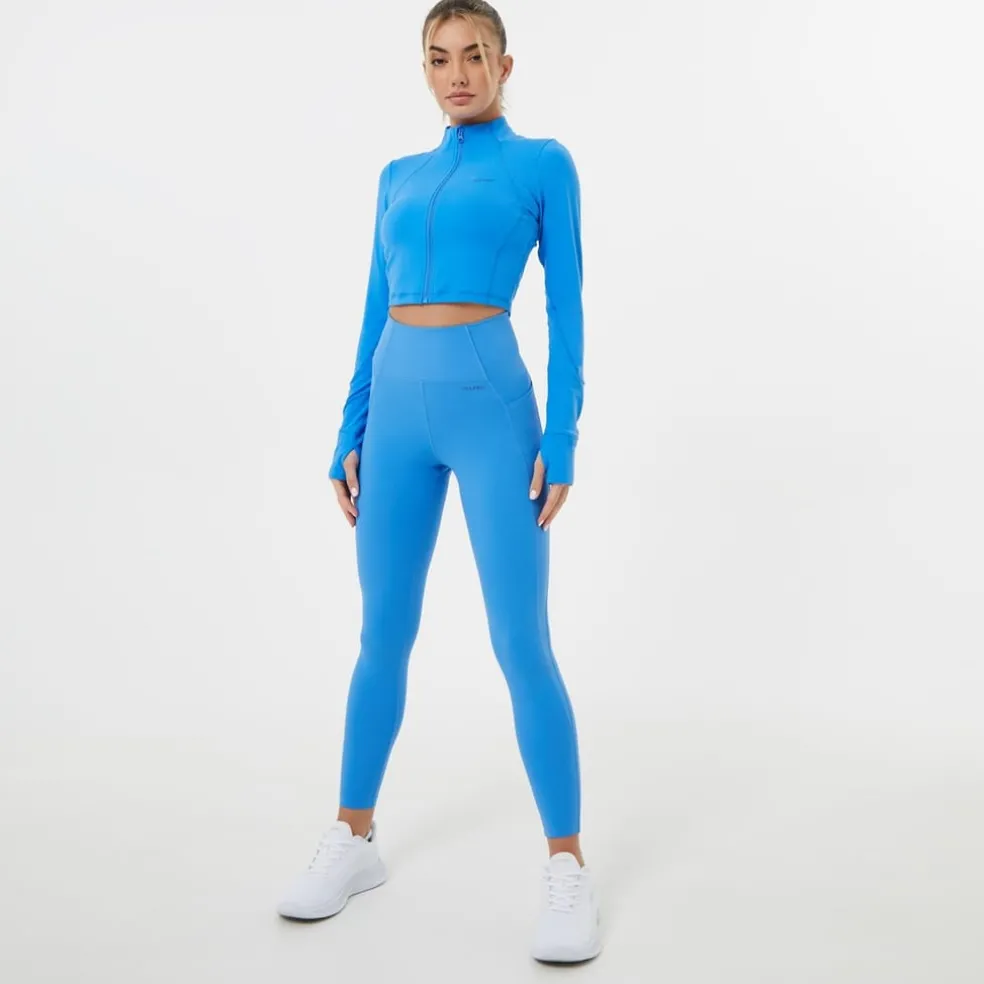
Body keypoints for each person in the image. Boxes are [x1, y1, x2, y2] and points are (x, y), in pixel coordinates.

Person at [276, 1, 601, 963]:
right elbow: (372, 307)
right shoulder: (397, 176)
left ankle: (568, 864)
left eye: (473, 56)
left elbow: (569, 306)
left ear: (505, 64)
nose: (456, 74)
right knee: (382, 633)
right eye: (438, 58)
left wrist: (563, 434)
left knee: (520, 641)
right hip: (396, 413)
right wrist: (349, 428)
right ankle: (354, 837)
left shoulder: (541, 164)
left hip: (493, 413)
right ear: (423, 69)